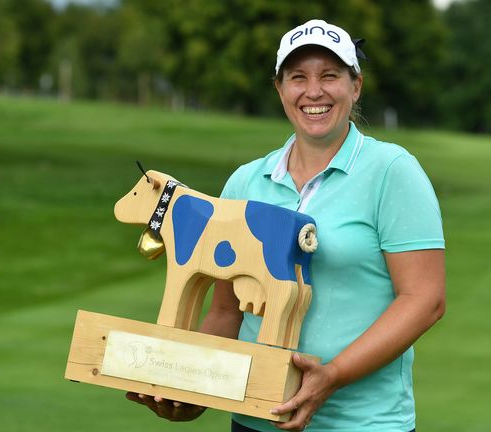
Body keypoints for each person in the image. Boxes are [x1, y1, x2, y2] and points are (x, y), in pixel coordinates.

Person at [127, 19, 446, 432]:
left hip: (364, 424)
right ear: (279, 89)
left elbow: (425, 300)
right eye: (298, 77)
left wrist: (333, 376)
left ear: (356, 86)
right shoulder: (245, 181)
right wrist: (192, 389)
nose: (314, 91)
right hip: (256, 421)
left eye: (330, 75)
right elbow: (227, 312)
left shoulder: (392, 171)